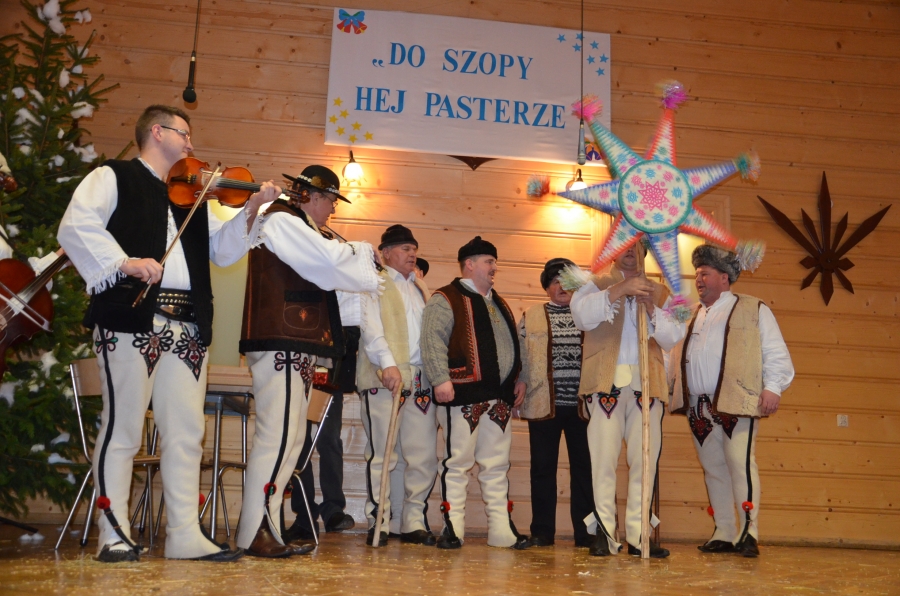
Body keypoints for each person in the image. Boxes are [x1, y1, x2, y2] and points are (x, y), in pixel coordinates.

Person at [57, 104, 276, 562]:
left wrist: (253, 209)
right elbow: (76, 226)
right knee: (123, 427)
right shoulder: (113, 176)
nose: (192, 144)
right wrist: (124, 262)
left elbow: (222, 251)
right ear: (157, 132)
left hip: (188, 324)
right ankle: (112, 532)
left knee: (187, 432)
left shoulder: (192, 195)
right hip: (132, 316)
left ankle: (184, 534)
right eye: (184, 133)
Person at [236, 165, 382, 558]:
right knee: (277, 436)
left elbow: (327, 265)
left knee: (289, 439)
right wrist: (361, 251)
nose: (333, 210)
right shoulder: (282, 220)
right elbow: (327, 262)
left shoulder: (294, 223)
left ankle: (267, 527)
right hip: (280, 341)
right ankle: (254, 530)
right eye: (331, 201)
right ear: (314, 196)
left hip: (291, 343)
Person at [668, 245, 794, 558]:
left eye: (704, 273)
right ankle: (724, 530)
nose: (698, 280)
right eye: (697, 274)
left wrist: (773, 387)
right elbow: (671, 353)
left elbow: (774, 350)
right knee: (713, 468)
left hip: (737, 400)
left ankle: (748, 531)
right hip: (698, 405)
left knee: (740, 464)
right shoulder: (691, 314)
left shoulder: (753, 308)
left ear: (724, 277)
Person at [569, 243, 685, 558]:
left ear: (646, 250)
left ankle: (639, 535)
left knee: (644, 461)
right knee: (602, 461)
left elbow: (676, 334)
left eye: (638, 244)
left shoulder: (663, 292)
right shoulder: (593, 284)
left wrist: (653, 309)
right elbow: (581, 317)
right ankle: (605, 533)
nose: (631, 250)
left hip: (648, 386)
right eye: (626, 244)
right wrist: (620, 289)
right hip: (604, 383)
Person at [421, 236, 530, 550]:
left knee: (497, 464)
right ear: (469, 264)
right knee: (457, 462)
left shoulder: (499, 302)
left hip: (500, 398)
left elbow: (514, 345)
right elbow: (431, 340)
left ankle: (501, 531)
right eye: (489, 261)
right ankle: (453, 528)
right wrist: (440, 379)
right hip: (462, 395)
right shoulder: (445, 298)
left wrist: (519, 377)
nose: (494, 267)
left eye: (494, 262)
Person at [356, 224, 437, 547]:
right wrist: (387, 363)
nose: (412, 254)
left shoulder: (422, 288)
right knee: (384, 453)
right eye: (405, 248)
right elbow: (371, 328)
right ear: (386, 252)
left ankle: (411, 520)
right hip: (385, 377)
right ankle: (380, 519)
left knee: (421, 455)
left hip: (421, 380)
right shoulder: (374, 283)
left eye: (414, 249)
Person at [515, 258, 594, 548]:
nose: (561, 287)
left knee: (585, 471)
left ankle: (587, 534)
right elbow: (520, 355)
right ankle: (542, 532)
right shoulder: (531, 315)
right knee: (542, 470)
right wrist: (518, 383)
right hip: (543, 404)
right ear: (546, 287)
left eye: (567, 281)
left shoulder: (591, 314)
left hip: (584, 408)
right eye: (554, 281)